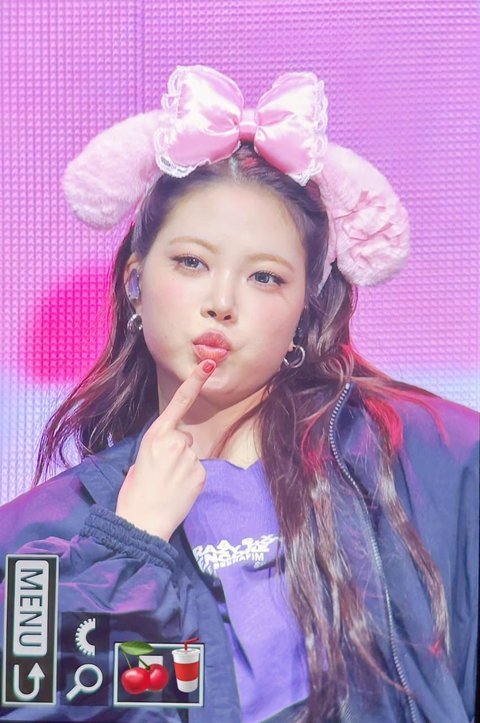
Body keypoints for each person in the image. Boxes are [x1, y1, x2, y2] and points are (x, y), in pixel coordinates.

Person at [0, 65, 478, 723]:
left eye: (265, 277)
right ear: (136, 282)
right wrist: (127, 546)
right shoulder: (41, 538)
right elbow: (44, 707)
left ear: (304, 310)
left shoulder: (427, 462)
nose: (221, 302)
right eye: (192, 262)